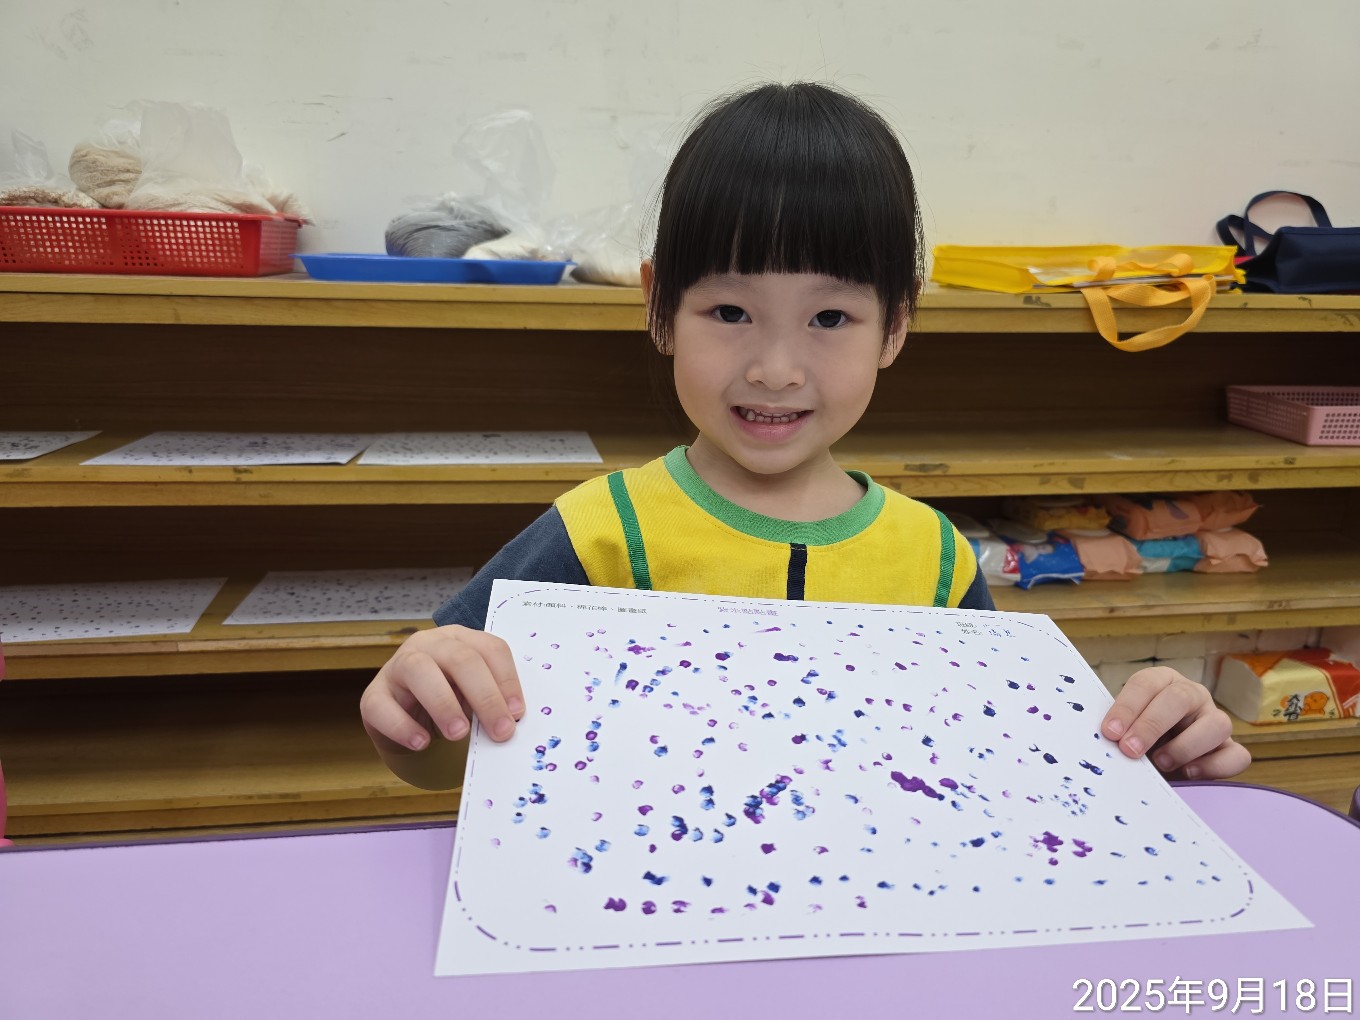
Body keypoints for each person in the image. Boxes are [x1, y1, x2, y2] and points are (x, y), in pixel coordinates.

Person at [360, 82, 1249, 791]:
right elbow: (440, 759)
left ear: (895, 326)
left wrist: (1149, 750)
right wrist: (417, 702)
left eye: (830, 317)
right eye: (730, 311)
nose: (777, 369)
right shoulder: (597, 533)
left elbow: (996, 770)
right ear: (659, 307)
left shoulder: (935, 561)